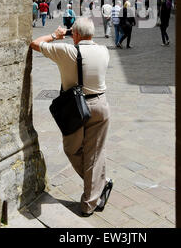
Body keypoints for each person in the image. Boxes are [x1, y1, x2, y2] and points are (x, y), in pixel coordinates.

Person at [30, 17, 113, 217]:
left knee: (72, 149)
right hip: (100, 105)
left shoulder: (67, 51)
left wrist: (56, 35)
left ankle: (89, 203)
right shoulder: (104, 50)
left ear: (74, 34)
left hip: (76, 107)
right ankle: (100, 185)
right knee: (94, 153)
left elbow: (35, 43)